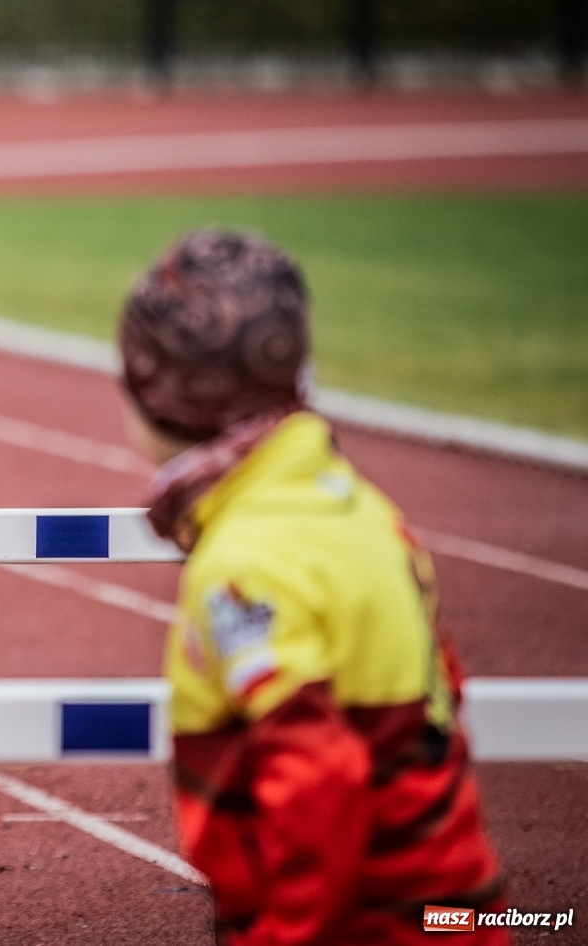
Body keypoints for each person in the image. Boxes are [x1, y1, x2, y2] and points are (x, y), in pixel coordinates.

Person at [118, 230, 507, 945]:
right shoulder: (364, 510)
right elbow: (442, 686)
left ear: (155, 396)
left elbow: (315, 782)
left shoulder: (244, 562)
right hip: (455, 908)